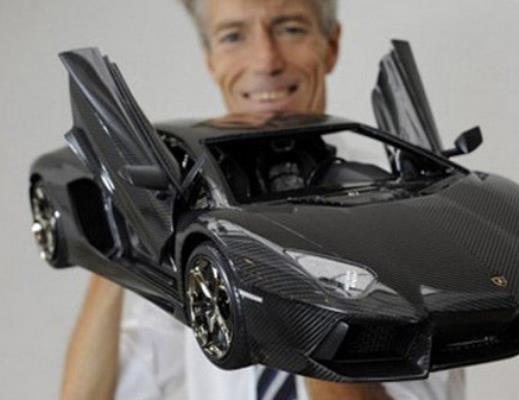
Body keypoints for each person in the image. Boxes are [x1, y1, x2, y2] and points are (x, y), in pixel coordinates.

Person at [60, 1, 465, 399]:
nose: (266, 60)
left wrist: (305, 287)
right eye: (233, 36)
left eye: (290, 28)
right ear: (211, 59)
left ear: (331, 45)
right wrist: (123, 226)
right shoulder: (189, 228)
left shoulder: (403, 216)